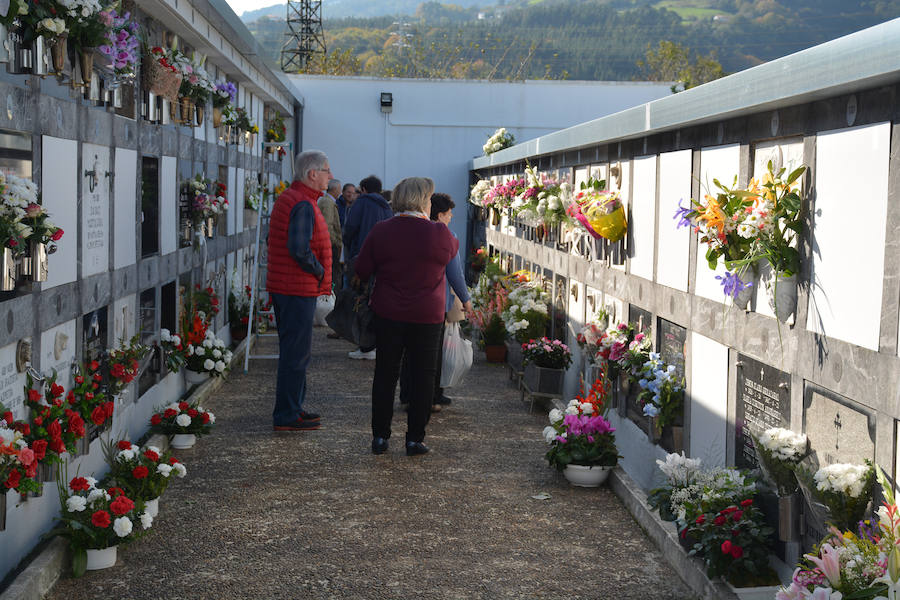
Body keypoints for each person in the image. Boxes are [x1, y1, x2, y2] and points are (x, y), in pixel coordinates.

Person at [354, 177, 458, 456]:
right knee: (423, 375)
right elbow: (451, 256)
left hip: (388, 311)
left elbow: (362, 268)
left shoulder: (382, 230)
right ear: (423, 200)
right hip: (427, 314)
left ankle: (380, 437)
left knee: (386, 373)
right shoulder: (439, 233)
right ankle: (415, 438)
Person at [266, 150, 333, 431]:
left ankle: (293, 407)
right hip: (296, 288)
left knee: (294, 352)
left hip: (288, 286)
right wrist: (319, 271)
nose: (330, 176)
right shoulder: (302, 204)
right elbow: (299, 249)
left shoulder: (295, 198)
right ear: (312, 174)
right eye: (327, 170)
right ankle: (287, 415)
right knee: (296, 354)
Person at [399, 193, 472, 412]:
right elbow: (455, 274)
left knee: (409, 352)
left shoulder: (411, 233)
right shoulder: (447, 236)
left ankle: (407, 394)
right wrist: (466, 300)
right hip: (435, 304)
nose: (450, 218)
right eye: (449, 214)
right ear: (440, 215)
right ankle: (429, 397)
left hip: (407, 301)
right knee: (431, 355)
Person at [343, 175, 392, 360]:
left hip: (360, 256)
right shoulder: (386, 205)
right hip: (382, 260)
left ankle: (364, 346)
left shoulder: (361, 203)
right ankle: (374, 344)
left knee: (359, 301)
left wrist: (348, 246)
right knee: (374, 301)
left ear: (363, 189)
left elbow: (350, 228)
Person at [318, 178, 343, 293]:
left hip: (329, 245)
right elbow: (328, 225)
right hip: (330, 246)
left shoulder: (327, 201)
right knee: (333, 274)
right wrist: (334, 243)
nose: (341, 191)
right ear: (335, 189)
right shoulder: (328, 202)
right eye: (340, 188)